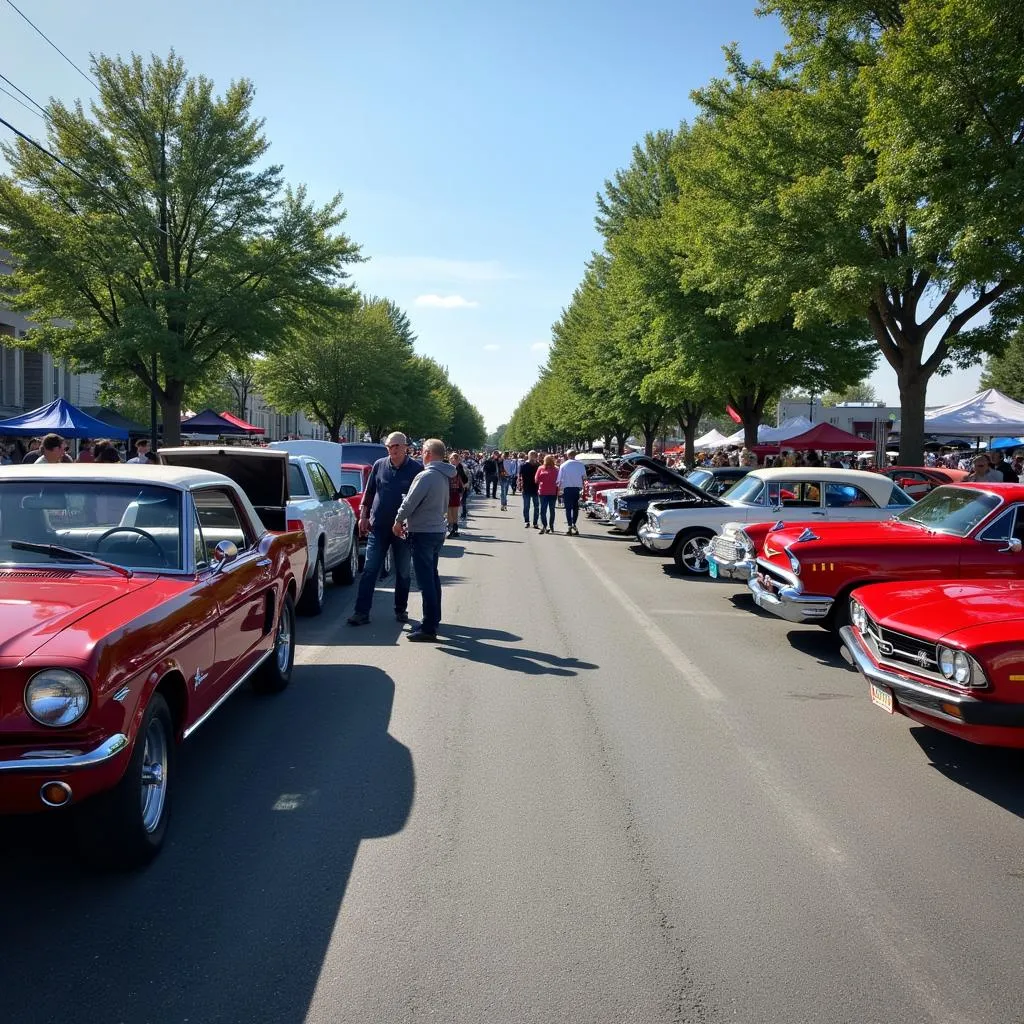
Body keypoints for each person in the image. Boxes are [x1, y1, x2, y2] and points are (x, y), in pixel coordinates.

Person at [347, 432, 423, 626]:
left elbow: (422, 499)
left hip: (403, 529)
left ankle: (400, 609)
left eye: (397, 446)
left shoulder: (416, 469)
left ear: (406, 447)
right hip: (378, 526)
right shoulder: (379, 465)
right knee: (370, 570)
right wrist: (363, 516)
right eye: (389, 446)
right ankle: (361, 612)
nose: (393, 450)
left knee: (403, 571)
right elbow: (370, 492)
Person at [393, 438, 456, 642]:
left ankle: (429, 626)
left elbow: (410, 501)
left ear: (428, 452)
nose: (420, 454)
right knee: (432, 577)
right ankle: (432, 620)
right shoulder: (443, 475)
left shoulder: (426, 475)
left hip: (423, 531)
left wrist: (398, 519)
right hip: (436, 530)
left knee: (425, 580)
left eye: (422, 451)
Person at [556, 448, 586, 535]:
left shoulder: (564, 465)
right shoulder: (580, 465)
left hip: (567, 488)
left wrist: (559, 489)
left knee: (568, 508)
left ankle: (569, 525)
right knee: (575, 507)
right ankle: (574, 523)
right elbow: (584, 477)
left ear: (567, 455)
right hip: (577, 488)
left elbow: (559, 479)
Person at [535, 454, 559, 534]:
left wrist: (543, 480)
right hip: (552, 491)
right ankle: (551, 526)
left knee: (543, 510)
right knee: (552, 510)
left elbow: (536, 480)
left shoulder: (541, 468)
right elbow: (559, 481)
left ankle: (545, 526)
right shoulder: (556, 469)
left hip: (543, 491)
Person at [446, 452, 467, 537]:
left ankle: (453, 528)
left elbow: (465, 480)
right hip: (447, 492)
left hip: (455, 492)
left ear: (458, 460)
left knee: (454, 510)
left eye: (455, 458)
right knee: (448, 511)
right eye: (451, 458)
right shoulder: (446, 468)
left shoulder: (460, 468)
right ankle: (451, 528)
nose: (453, 460)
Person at [518, 450, 540, 529]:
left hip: (536, 489)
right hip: (526, 488)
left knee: (536, 506)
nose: (533, 456)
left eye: (534, 455)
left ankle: (535, 522)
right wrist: (520, 486)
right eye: (532, 455)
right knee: (526, 506)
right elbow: (520, 477)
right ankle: (527, 521)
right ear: (529, 456)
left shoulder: (538, 465)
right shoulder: (523, 465)